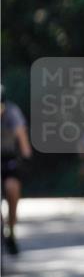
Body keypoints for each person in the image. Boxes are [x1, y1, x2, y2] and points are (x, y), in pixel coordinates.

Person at [1, 86, 32, 254]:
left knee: (12, 189)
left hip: (9, 158)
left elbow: (22, 136)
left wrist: (26, 155)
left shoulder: (12, 112)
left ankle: (11, 230)